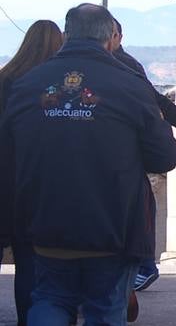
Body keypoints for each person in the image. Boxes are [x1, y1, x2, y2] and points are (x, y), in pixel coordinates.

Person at [0, 4, 176, 326]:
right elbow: (165, 156)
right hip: (112, 225)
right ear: (111, 38)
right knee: (105, 308)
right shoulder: (130, 85)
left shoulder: (27, 85)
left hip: (44, 223)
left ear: (67, 35)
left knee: (49, 299)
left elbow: (9, 151)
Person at [109, 18, 176, 298]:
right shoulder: (121, 67)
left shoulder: (125, 67)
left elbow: (156, 104)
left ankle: (144, 265)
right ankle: (142, 265)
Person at [0, 19, 63, 326]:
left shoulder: (4, 80)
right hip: (30, 184)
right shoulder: (47, 88)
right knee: (30, 265)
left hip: (2, 182)